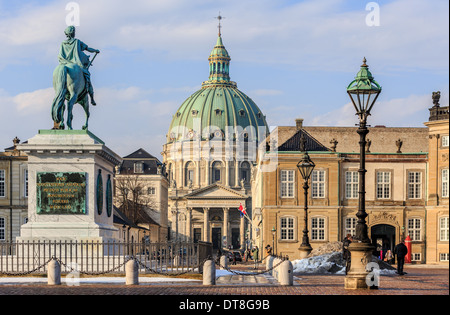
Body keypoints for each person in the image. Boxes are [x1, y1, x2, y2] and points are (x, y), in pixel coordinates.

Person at [58, 26, 100, 106]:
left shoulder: (63, 43)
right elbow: (87, 48)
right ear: (73, 33)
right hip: (77, 64)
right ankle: (92, 98)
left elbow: (60, 55)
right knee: (88, 77)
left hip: (64, 63)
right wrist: (95, 50)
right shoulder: (77, 42)